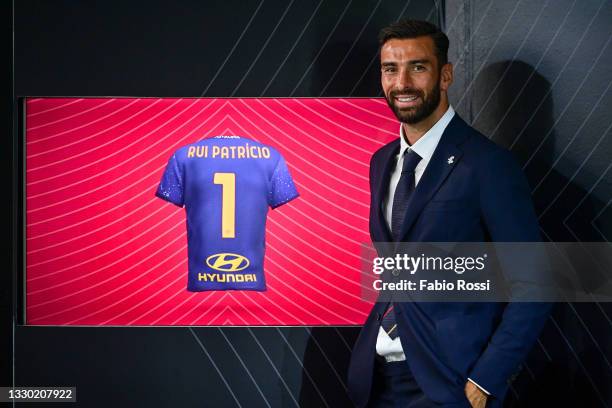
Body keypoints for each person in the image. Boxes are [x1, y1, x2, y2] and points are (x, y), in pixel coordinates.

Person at [347, 19, 552, 408]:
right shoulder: (381, 162)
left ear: (445, 75)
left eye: (418, 67)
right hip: (376, 380)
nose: (402, 82)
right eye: (391, 69)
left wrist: (486, 380)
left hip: (449, 385)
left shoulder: (488, 164)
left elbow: (535, 284)